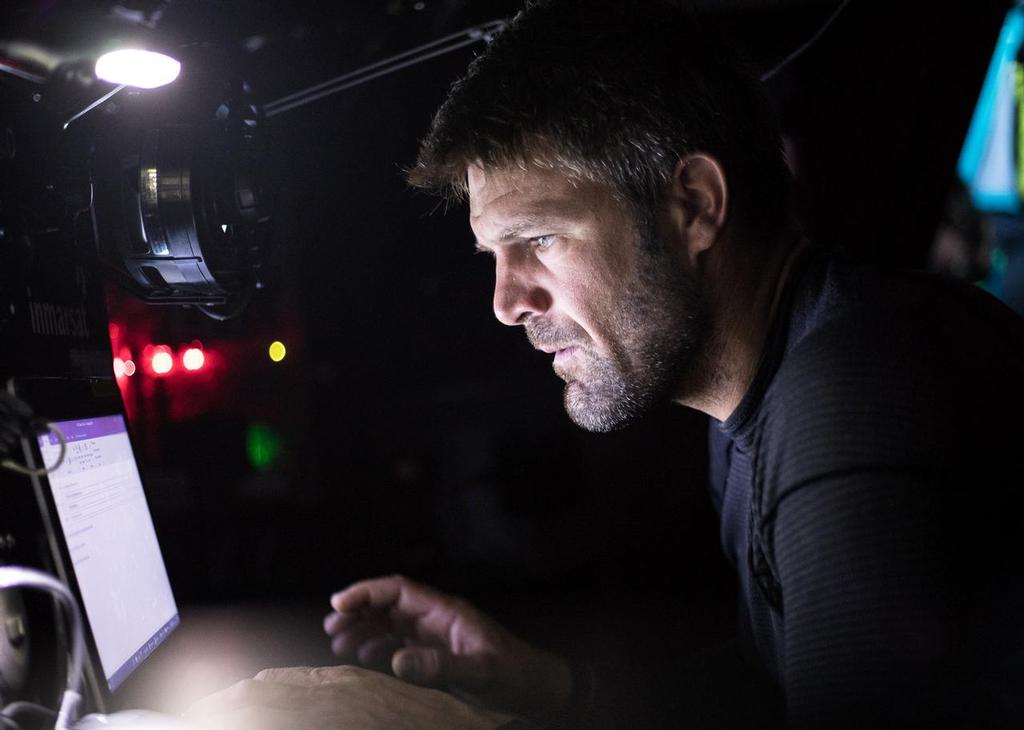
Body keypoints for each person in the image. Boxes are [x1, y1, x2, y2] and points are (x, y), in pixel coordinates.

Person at [190, 1, 1024, 728]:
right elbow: (774, 692)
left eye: (541, 239)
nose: (506, 300)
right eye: (494, 253)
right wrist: (549, 689)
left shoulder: (851, 399)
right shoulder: (757, 398)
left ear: (694, 204)